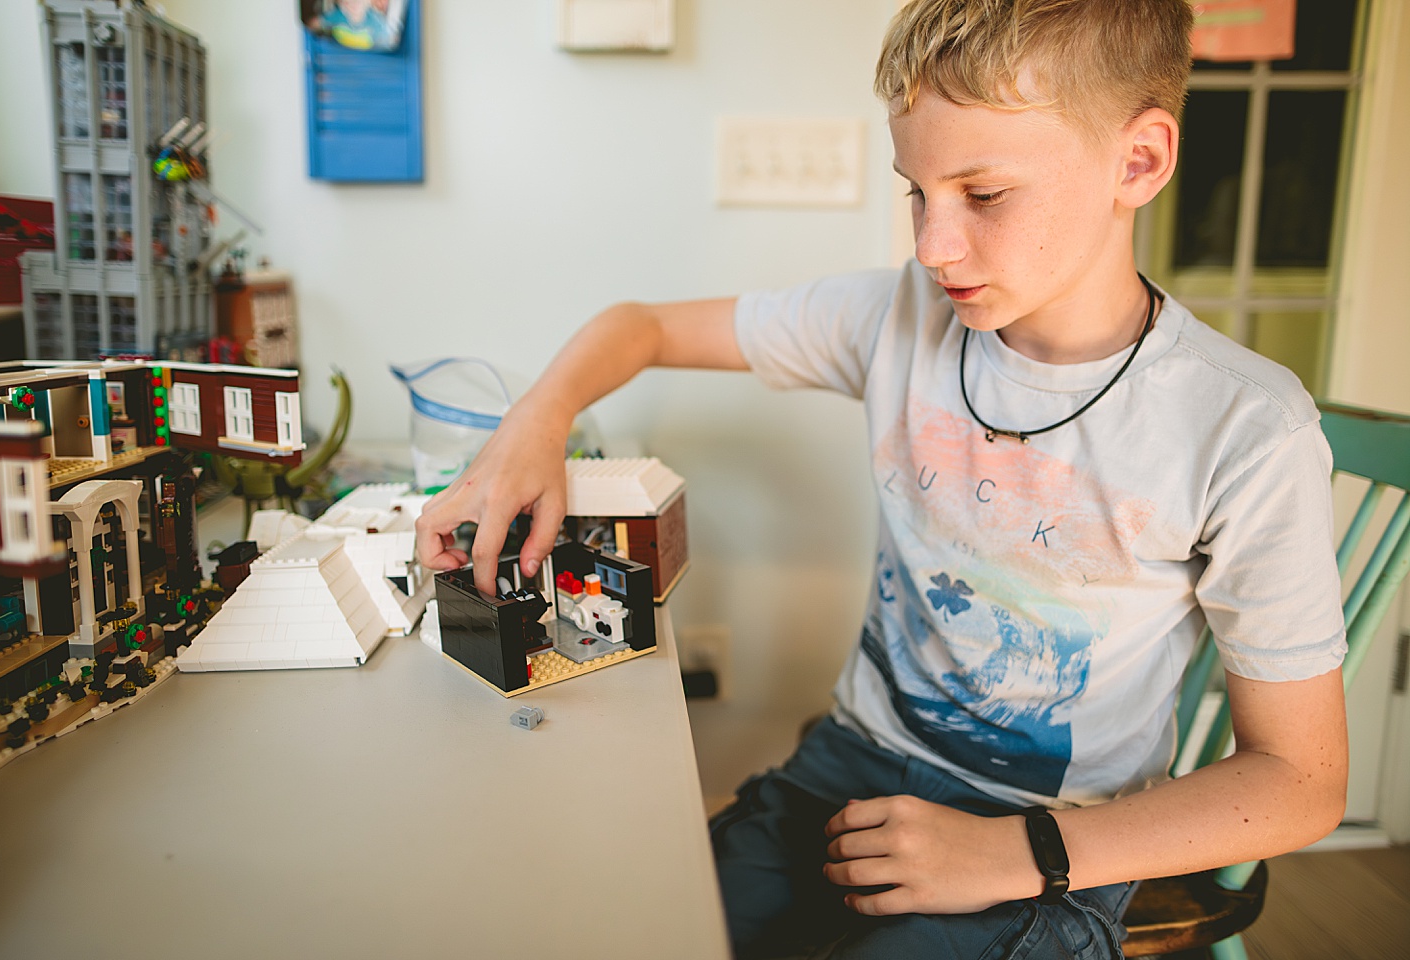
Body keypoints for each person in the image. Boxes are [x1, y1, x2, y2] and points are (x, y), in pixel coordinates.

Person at [415, 0, 1349, 956]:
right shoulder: (899, 317)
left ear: (1139, 162)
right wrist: (531, 427)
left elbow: (1301, 778)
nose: (931, 246)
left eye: (983, 195)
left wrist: (1015, 852)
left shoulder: (1245, 427)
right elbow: (639, 326)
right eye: (917, 191)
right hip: (848, 768)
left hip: (1050, 838)